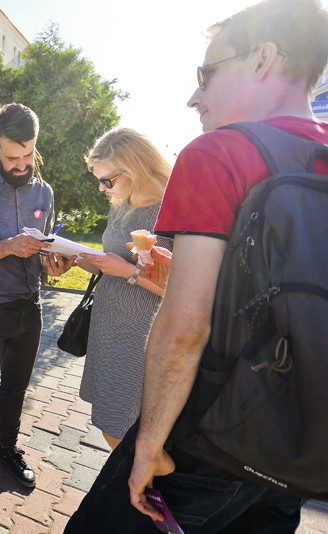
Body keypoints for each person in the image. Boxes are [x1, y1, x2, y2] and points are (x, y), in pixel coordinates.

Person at [65, 0, 328, 531]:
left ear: (263, 59)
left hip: (213, 436)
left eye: (206, 74)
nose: (193, 96)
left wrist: (149, 444)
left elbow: (185, 329)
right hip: (299, 442)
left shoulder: (218, 154)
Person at [0, 103, 75, 500]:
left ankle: (6, 450)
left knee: (17, 389)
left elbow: (39, 252)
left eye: (28, 154)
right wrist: (9, 246)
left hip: (29, 308)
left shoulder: (45, 191)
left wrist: (52, 266)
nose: (22, 164)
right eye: (11, 157)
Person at [74, 128, 172, 451]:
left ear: (135, 169)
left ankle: (139, 495)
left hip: (140, 338)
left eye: (108, 180)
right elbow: (110, 263)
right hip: (108, 330)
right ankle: (129, 491)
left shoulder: (171, 212)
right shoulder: (121, 204)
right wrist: (78, 259)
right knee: (108, 423)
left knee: (125, 431)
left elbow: (180, 291)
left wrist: (129, 272)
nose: (102, 188)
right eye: (99, 180)